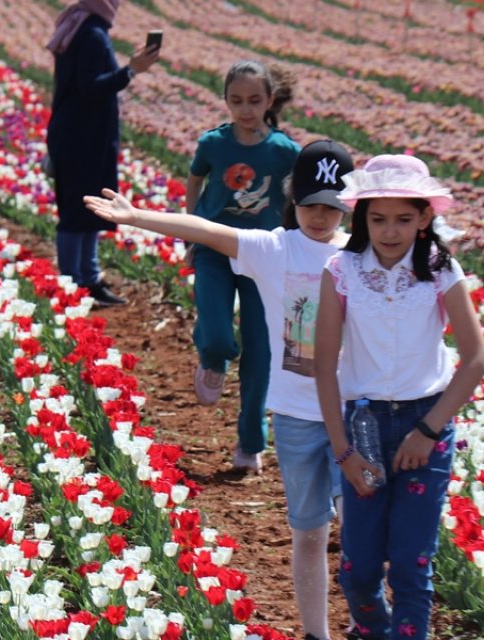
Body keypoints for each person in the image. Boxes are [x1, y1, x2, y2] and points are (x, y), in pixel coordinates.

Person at [85, 139, 355, 640]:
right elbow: (207, 230)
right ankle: (316, 633)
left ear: (348, 206)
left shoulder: (358, 255)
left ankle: (363, 625)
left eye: (331, 207)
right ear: (293, 198)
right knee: (309, 532)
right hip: (295, 415)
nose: (320, 217)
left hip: (353, 414)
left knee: (357, 530)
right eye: (311, 204)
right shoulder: (276, 249)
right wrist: (137, 217)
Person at [313, 154, 484, 640]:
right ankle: (373, 629)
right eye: (378, 219)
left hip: (424, 425)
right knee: (359, 570)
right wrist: (343, 451)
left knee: (412, 566)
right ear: (362, 218)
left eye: (404, 219)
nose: (390, 231)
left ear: (425, 217)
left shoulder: (441, 269)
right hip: (364, 428)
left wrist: (428, 431)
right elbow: (324, 365)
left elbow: (477, 357)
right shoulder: (342, 270)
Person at [185, 59, 299, 473]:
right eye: (236, 101)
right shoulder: (213, 143)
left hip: (264, 255)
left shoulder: (285, 151)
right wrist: (192, 231)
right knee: (217, 335)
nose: (245, 109)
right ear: (226, 101)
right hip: (215, 248)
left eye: (254, 100)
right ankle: (213, 360)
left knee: (261, 351)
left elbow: (299, 198)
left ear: (270, 100)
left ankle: (250, 443)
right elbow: (195, 180)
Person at [45, 0, 159, 307]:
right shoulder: (91, 33)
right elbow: (91, 88)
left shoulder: (79, 24)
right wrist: (131, 70)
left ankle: (88, 279)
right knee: (77, 211)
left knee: (90, 208)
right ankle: (74, 284)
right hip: (82, 137)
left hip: (79, 134)